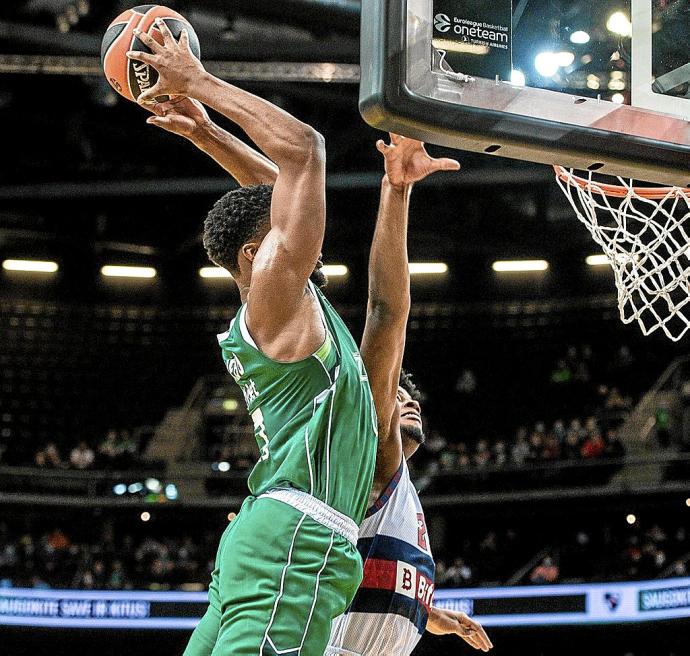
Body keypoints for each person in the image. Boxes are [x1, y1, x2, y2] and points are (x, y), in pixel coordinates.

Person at [128, 22, 378, 655]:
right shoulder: (274, 292)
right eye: (284, 229)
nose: (303, 226)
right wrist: (202, 84)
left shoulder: (277, 295)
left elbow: (277, 184)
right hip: (297, 539)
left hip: (267, 536)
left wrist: (209, 131)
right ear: (254, 253)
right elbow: (306, 153)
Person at [327, 135, 491, 654]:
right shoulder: (369, 455)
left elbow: (374, 577)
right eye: (396, 391)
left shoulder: (400, 494)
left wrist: (424, 612)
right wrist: (396, 192)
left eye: (410, 393)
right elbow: (386, 315)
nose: (407, 397)